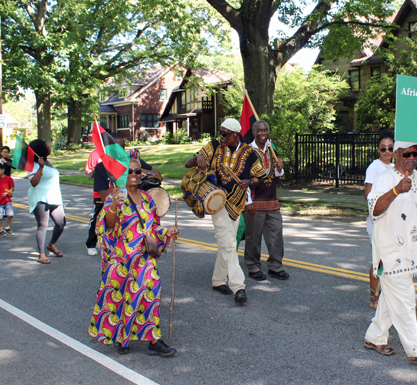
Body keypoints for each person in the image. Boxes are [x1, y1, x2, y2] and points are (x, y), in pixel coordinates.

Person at [364, 140, 417, 367]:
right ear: (397, 155)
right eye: (407, 153)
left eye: (416, 153)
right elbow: (375, 209)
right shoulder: (385, 178)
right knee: (405, 299)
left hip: (411, 250)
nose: (412, 157)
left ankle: (375, 336)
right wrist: (396, 190)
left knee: (392, 298)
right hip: (390, 251)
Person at [88, 158, 178, 356]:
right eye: (130, 171)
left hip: (144, 259)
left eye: (138, 172)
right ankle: (123, 337)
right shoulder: (115, 196)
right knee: (124, 298)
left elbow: (153, 226)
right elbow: (107, 226)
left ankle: (154, 340)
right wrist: (114, 206)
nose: (134, 175)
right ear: (122, 174)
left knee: (150, 293)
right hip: (122, 259)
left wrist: (167, 233)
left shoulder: (147, 198)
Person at [185, 118, 266, 304]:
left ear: (235, 135)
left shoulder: (250, 153)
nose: (221, 136)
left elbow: (259, 176)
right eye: (220, 132)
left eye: (225, 134)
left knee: (225, 243)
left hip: (237, 203)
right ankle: (238, 286)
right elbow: (187, 164)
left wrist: (250, 182)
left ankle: (218, 280)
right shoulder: (213, 146)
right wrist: (197, 158)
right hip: (217, 201)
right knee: (229, 243)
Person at [88, 133, 163, 255]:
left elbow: (157, 175)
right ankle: (91, 243)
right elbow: (103, 196)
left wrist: (136, 171)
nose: (121, 151)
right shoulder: (102, 167)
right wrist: (121, 181)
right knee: (100, 220)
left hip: (133, 203)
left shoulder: (132, 161)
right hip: (110, 204)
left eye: (123, 146)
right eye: (117, 147)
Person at [243, 120, 289, 281]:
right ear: (254, 132)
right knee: (253, 237)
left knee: (276, 234)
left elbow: (276, 174)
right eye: (259, 131)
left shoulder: (272, 148)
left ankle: (275, 266)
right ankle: (253, 266)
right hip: (254, 201)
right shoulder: (247, 151)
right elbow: (244, 179)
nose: (263, 134)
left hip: (272, 200)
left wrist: (279, 168)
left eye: (265, 131)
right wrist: (247, 202)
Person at [365, 131, 394, 308]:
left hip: (393, 221)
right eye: (383, 148)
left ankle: (399, 298)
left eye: (390, 148)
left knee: (397, 259)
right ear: (378, 149)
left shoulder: (395, 168)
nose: (387, 151)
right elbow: (368, 195)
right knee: (379, 260)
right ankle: (374, 297)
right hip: (377, 221)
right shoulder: (374, 167)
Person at [28, 140, 66, 264]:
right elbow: (33, 183)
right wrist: (40, 167)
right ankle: (41, 254)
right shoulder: (33, 165)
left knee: (61, 222)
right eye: (46, 146)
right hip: (40, 197)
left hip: (54, 197)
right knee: (43, 225)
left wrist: (44, 165)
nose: (49, 147)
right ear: (39, 149)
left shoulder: (48, 162)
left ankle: (51, 244)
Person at [0, 162, 15, 236]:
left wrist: (7, 192)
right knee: (0, 216)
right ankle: (1, 230)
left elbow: (12, 188)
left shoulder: (8, 178)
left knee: (11, 214)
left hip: (7, 201)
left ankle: (7, 227)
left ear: (3, 170)